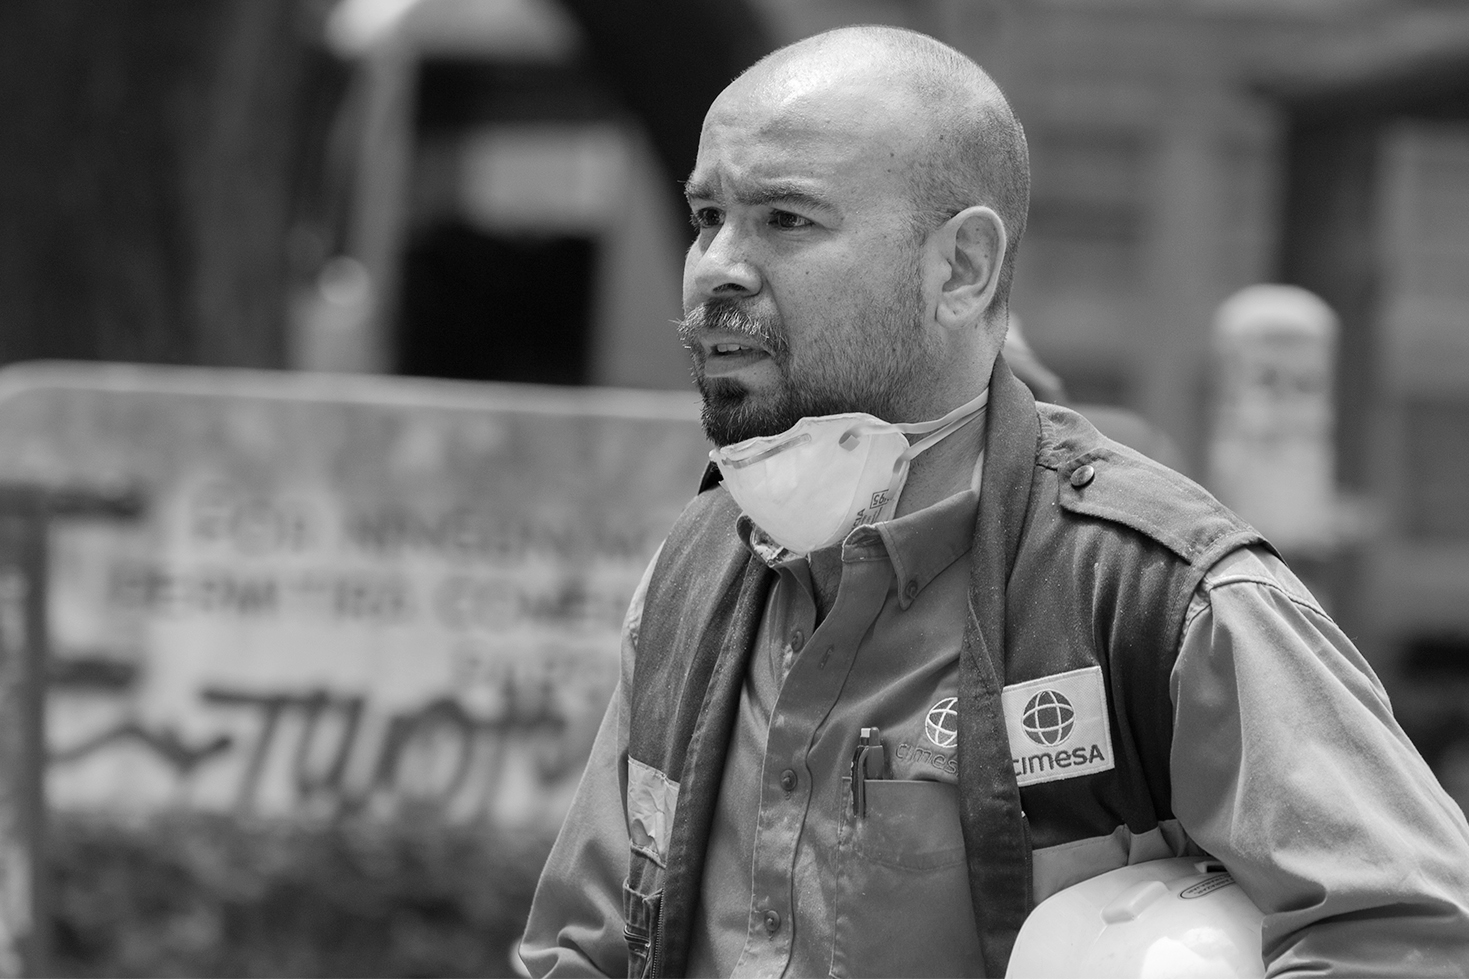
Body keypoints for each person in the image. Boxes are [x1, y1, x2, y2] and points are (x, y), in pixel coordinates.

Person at [519, 25, 1469, 978]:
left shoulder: (1155, 595)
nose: (716, 265)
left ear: (962, 269)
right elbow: (577, 951)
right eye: (705, 216)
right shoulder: (695, 569)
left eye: (786, 219)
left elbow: (1410, 937)